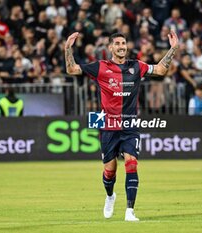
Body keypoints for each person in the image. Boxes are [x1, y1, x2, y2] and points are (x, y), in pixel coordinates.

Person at [65, 31, 179, 221]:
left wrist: (173, 49)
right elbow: (72, 70)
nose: (121, 46)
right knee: (109, 172)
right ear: (110, 47)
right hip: (108, 126)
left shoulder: (137, 66)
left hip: (130, 125)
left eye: (123, 43)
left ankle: (130, 211)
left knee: (131, 164)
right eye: (117, 43)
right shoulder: (100, 67)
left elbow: (160, 70)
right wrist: (68, 48)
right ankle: (110, 196)